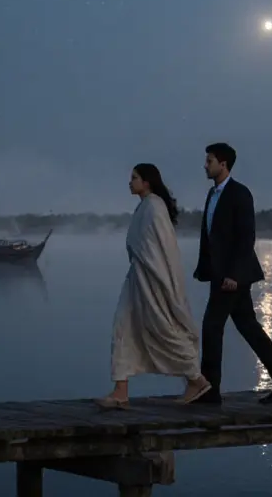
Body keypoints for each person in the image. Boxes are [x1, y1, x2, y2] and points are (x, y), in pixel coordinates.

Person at [94, 163, 213, 410]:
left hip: (151, 280)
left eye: (134, 177)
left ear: (147, 181)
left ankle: (196, 379)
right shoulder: (145, 206)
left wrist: (162, 282)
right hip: (137, 278)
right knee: (123, 327)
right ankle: (120, 390)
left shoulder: (154, 207)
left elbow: (164, 251)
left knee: (162, 328)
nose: (130, 182)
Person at [191, 142, 272, 405]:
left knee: (211, 327)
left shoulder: (240, 194)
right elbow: (211, 236)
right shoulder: (212, 194)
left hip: (232, 276)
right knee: (248, 326)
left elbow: (246, 237)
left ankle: (210, 391)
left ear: (223, 164)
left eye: (209, 161)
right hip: (220, 274)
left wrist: (234, 275)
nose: (205, 165)